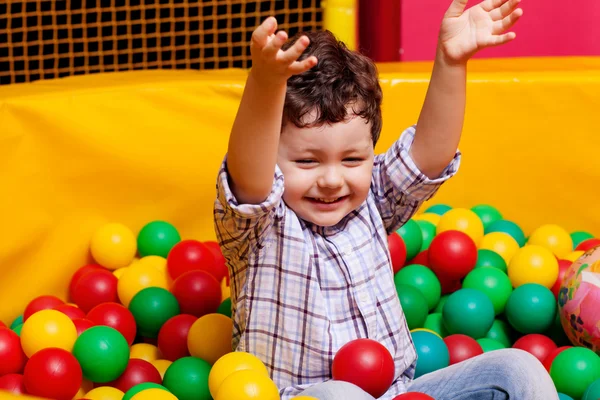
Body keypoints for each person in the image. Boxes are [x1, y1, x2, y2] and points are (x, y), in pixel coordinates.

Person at [213, 0, 558, 398]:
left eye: (352, 159)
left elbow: (429, 156)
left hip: (400, 391)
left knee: (518, 368)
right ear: (272, 161)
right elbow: (250, 174)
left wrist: (451, 61)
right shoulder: (260, 230)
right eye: (307, 161)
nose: (331, 179)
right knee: (343, 394)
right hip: (303, 394)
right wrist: (265, 84)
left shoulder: (371, 200)